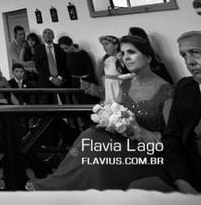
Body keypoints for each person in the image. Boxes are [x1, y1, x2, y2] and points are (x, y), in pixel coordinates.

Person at [27, 33, 173, 191]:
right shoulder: (126, 84)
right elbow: (117, 110)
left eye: (132, 52)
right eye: (123, 54)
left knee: (97, 157)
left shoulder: (166, 90)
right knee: (88, 136)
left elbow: (171, 138)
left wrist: (139, 131)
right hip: (123, 138)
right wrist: (110, 118)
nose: (126, 58)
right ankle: (57, 184)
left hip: (146, 149)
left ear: (148, 58)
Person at [129, 30, 201, 193]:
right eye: (183, 55)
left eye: (195, 52)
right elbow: (172, 140)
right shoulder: (185, 87)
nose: (189, 62)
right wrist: (183, 182)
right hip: (193, 174)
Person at [57, 35, 97, 103]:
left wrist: (92, 83)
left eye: (66, 48)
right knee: (78, 101)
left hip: (86, 81)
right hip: (74, 82)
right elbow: (67, 70)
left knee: (88, 100)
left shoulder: (82, 54)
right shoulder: (67, 55)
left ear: (71, 44)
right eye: (63, 49)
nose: (65, 51)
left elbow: (90, 70)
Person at [34, 28, 68, 101]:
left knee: (64, 102)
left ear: (53, 36)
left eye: (49, 33)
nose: (47, 34)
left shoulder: (59, 47)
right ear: (43, 36)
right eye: (45, 33)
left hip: (60, 80)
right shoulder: (38, 49)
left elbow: (64, 64)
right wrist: (51, 78)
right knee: (48, 102)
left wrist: (59, 78)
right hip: (46, 80)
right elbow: (38, 67)